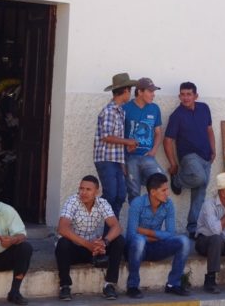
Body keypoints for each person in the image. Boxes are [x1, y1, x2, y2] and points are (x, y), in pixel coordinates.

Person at [55, 175, 125, 301]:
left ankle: (109, 284)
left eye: (88, 189)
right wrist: (88, 244)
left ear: (96, 192)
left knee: (119, 240)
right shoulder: (72, 201)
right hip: (76, 248)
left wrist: (104, 242)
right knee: (62, 243)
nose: (83, 192)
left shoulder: (102, 203)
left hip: (96, 249)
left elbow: (116, 227)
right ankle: (65, 286)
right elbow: (62, 228)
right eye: (81, 189)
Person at [125, 173, 190, 298]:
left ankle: (173, 284)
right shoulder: (137, 203)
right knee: (138, 241)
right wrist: (154, 237)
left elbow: (171, 233)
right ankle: (132, 286)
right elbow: (132, 235)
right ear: (153, 192)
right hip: (136, 249)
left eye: (167, 190)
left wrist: (145, 232)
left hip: (155, 247)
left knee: (184, 241)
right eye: (164, 190)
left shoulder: (168, 204)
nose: (167, 193)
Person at [163, 81, 216, 239]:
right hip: (188, 156)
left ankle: (193, 228)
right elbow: (167, 141)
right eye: (182, 94)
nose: (185, 98)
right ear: (179, 96)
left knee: (200, 192)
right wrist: (173, 164)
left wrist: (213, 149)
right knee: (201, 178)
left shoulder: (204, 108)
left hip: (206, 156)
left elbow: (209, 130)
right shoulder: (176, 115)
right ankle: (178, 180)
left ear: (195, 96)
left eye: (189, 94)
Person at [94, 73, 139, 218]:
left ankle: (112, 232)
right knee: (111, 195)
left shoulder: (120, 111)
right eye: (130, 90)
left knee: (120, 196)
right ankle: (94, 222)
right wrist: (128, 141)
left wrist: (122, 163)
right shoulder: (110, 111)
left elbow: (115, 138)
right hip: (106, 159)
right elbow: (106, 136)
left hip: (115, 160)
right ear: (125, 91)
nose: (130, 94)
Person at [123, 77, 164, 203]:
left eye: (154, 91)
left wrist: (153, 151)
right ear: (140, 92)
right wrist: (122, 162)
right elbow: (118, 135)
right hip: (130, 158)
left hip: (147, 157)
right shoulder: (126, 108)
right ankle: (136, 222)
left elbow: (158, 133)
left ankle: (152, 219)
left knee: (161, 183)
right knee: (134, 193)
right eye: (150, 91)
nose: (153, 95)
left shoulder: (155, 108)